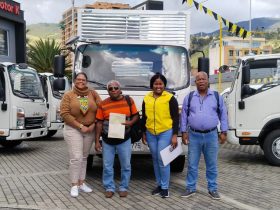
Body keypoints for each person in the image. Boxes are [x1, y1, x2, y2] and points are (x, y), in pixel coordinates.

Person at [180, 71, 228, 200]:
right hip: (193, 135)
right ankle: (190, 188)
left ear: (208, 81)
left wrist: (224, 131)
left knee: (211, 164)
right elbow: (184, 116)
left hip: (211, 135)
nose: (201, 81)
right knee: (192, 164)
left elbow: (223, 115)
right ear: (195, 82)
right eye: (198, 79)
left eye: (203, 79)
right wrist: (183, 132)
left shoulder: (217, 96)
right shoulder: (189, 97)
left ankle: (212, 189)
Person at [95, 80, 139, 198]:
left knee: (126, 165)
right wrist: (96, 141)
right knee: (107, 166)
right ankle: (109, 187)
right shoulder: (103, 104)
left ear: (120, 89)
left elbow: (136, 115)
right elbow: (99, 123)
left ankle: (124, 187)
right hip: (107, 140)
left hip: (124, 139)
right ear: (108, 91)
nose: (113, 90)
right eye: (110, 88)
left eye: (115, 88)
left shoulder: (129, 101)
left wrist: (130, 122)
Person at [60, 72, 101, 197]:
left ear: (86, 81)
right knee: (76, 158)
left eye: (83, 79)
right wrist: (80, 126)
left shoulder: (93, 93)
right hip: (73, 129)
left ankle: (82, 183)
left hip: (90, 129)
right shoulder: (68, 95)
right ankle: (74, 185)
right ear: (74, 81)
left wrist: (94, 124)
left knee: (84, 158)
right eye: (78, 79)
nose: (81, 81)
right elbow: (64, 114)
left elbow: (101, 109)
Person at [142, 73, 179, 198]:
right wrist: (143, 133)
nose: (158, 86)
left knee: (163, 159)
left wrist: (175, 135)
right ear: (152, 85)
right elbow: (144, 117)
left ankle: (165, 187)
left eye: (160, 84)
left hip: (165, 132)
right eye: (156, 83)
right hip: (151, 133)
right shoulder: (146, 98)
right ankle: (158, 185)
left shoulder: (170, 98)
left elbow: (175, 118)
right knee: (155, 159)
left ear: (164, 85)